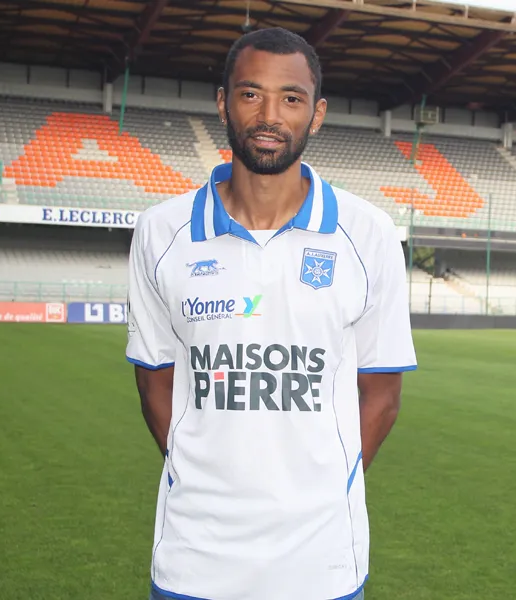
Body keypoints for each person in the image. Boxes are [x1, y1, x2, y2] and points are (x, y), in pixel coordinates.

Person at [126, 26, 417, 600]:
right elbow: (154, 383)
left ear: (317, 113)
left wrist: (327, 484)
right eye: (250, 93)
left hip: (322, 560)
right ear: (222, 102)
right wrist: (207, 474)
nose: (270, 114)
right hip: (196, 557)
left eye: (292, 98)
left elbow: (381, 394)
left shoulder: (368, 233)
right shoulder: (161, 232)